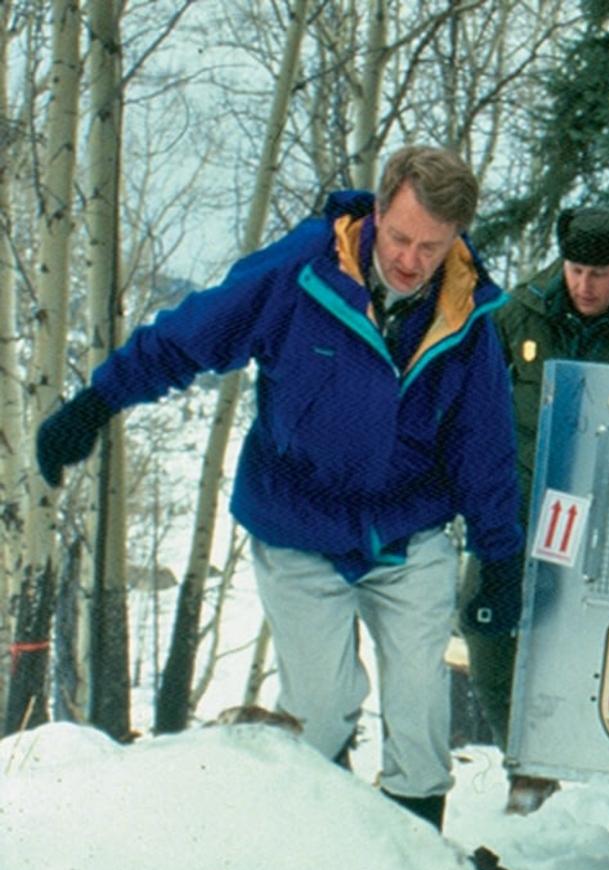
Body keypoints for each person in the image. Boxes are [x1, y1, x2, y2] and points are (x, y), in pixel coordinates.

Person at [35, 146, 522, 832]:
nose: (411, 260)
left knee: (419, 711)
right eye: (401, 237)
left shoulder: (466, 315)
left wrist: (500, 559)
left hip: (406, 530)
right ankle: (319, 850)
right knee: (321, 710)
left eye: (431, 247)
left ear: (456, 241)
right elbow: (185, 340)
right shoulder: (300, 273)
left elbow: (485, 447)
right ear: (378, 212)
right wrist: (93, 406)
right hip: (299, 521)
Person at [465, 205, 609, 813]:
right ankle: (526, 761)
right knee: (484, 619)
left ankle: (597, 769)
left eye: (600, 273)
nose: (584, 286)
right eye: (575, 269)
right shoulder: (519, 312)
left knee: (585, 638)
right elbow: (474, 399)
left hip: (605, 513)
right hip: (516, 501)